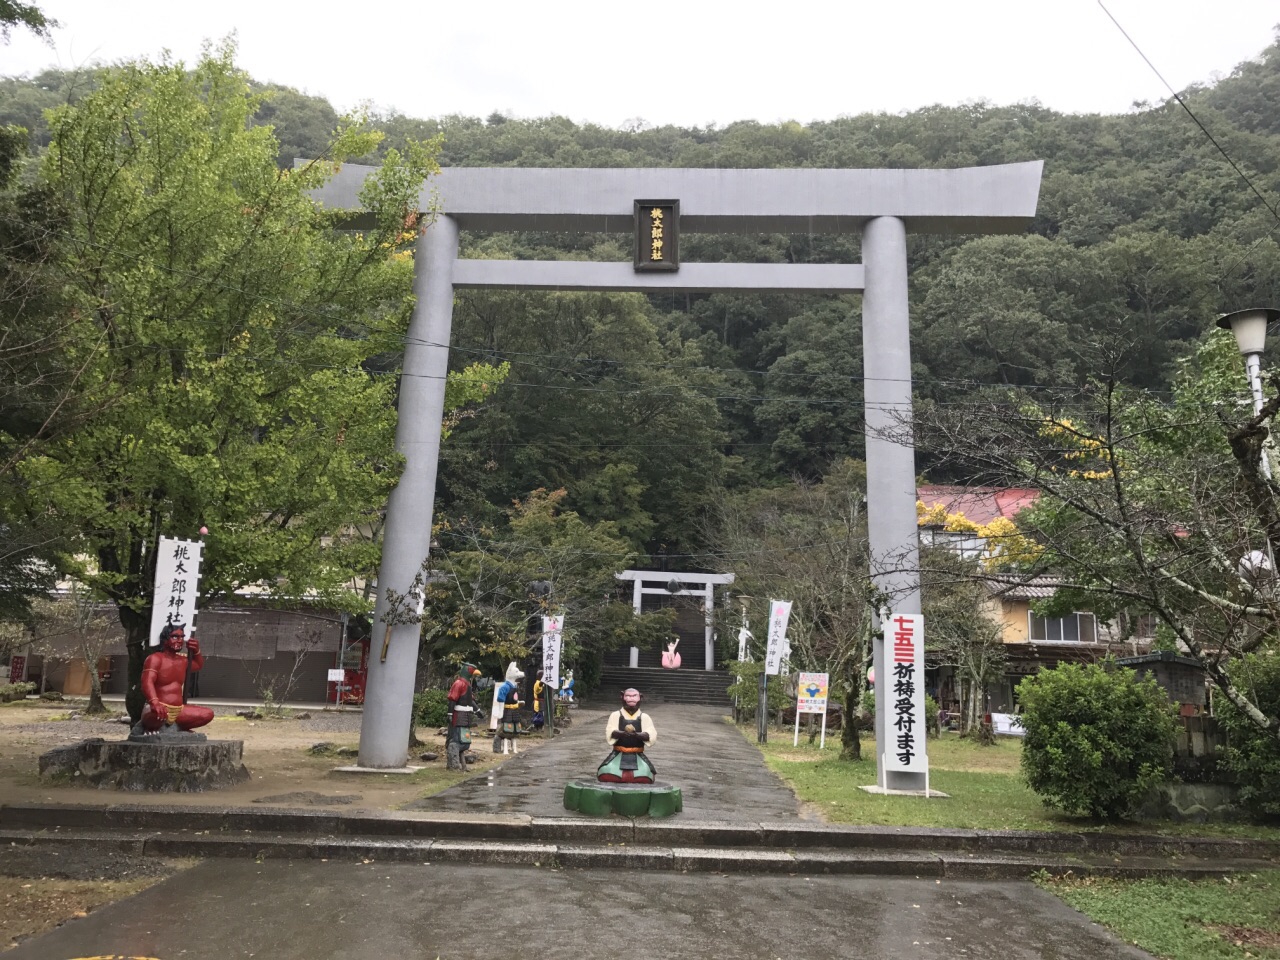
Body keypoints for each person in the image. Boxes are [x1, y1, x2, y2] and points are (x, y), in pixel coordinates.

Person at [138, 623, 214, 734]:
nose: (179, 640)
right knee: (155, 715)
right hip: (158, 708)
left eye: (181, 637)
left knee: (207, 714)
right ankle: (151, 728)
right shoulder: (155, 658)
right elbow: (147, 682)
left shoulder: (183, 660)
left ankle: (178, 728)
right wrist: (155, 703)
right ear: (165, 639)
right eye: (175, 637)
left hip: (178, 710)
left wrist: (196, 651)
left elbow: (198, 665)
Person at [597, 687, 658, 783]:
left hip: (637, 753)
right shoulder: (615, 715)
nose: (631, 699)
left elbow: (650, 735)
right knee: (605, 773)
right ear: (622, 697)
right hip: (618, 752)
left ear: (640, 698)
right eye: (628, 696)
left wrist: (636, 735)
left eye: (634, 696)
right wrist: (622, 733)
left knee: (646, 775)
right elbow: (610, 732)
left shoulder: (644, 717)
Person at [446, 663, 482, 770]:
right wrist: (450, 714)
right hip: (458, 716)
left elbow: (471, 701)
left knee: (464, 740)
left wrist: (478, 711)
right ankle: (454, 764)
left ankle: (463, 765)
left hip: (466, 716)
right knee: (457, 740)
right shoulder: (458, 683)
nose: (474, 671)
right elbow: (452, 700)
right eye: (472, 669)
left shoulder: (467, 684)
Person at [489, 661, 524, 754]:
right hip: (507, 710)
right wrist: (500, 711)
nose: (519, 673)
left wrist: (519, 703)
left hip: (514, 710)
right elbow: (500, 699)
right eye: (516, 672)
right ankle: (505, 748)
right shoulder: (505, 687)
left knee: (515, 729)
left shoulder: (514, 685)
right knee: (506, 730)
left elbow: (514, 698)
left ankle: (514, 748)